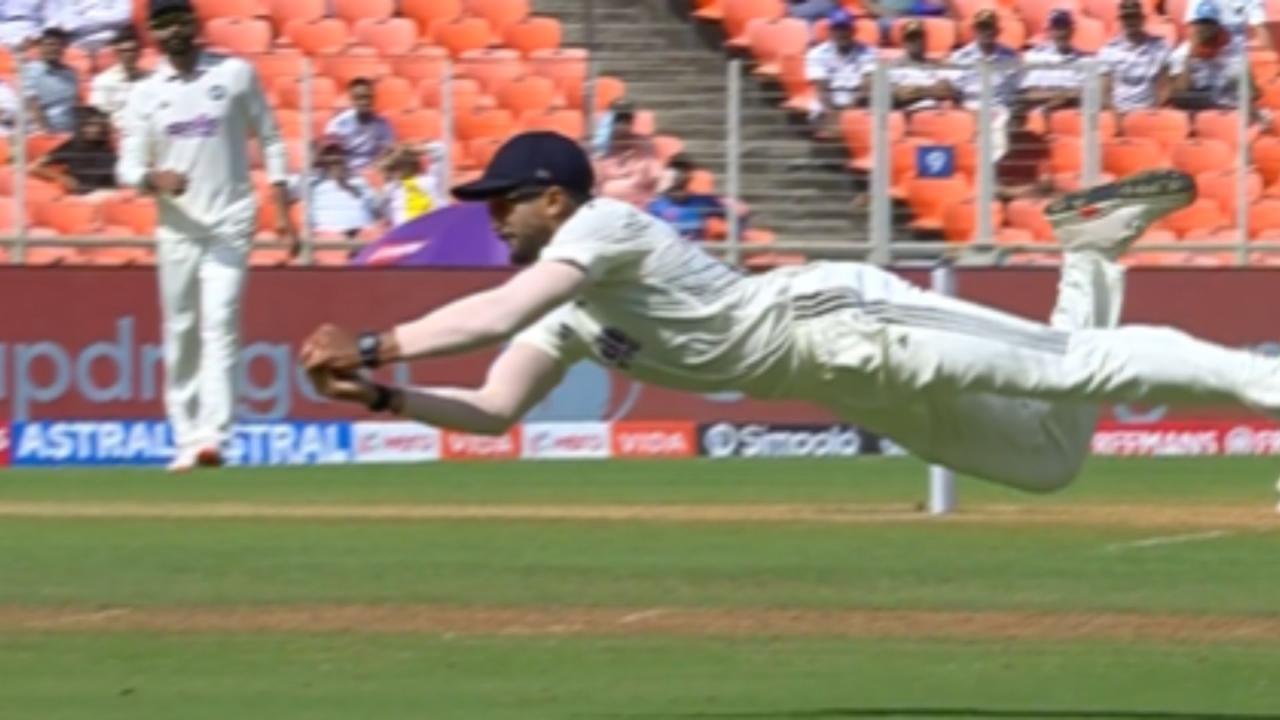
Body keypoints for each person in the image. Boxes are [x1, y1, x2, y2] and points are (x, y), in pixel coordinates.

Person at [302, 132, 1280, 493]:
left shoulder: (598, 227)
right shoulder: (570, 305)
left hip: (844, 320)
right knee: (1047, 461)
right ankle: (1092, 248)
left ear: (554, 199)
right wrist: (383, 395)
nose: (494, 216)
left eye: (502, 201)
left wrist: (376, 340)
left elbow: (500, 306)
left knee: (1075, 366)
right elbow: (492, 408)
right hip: (845, 383)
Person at [116, 0, 296, 472]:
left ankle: (213, 436)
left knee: (221, 320)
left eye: (181, 20)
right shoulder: (145, 93)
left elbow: (272, 137)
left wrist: (282, 206)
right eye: (162, 23)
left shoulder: (235, 74)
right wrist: (155, 180)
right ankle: (185, 435)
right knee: (182, 329)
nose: (173, 30)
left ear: (195, 25)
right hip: (178, 227)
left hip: (230, 219)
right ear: (153, 33)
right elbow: (127, 165)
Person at [1167, 0, 1252, 111]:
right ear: (1192, 28)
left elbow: (1251, 93)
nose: (1205, 30)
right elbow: (1179, 95)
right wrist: (1188, 62)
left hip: (1229, 114)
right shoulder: (1180, 55)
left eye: (1209, 25)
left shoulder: (1232, 53)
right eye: (1200, 25)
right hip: (1196, 115)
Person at [295, 135, 383, 240]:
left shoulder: (359, 181)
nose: (335, 158)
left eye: (339, 154)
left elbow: (377, 210)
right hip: (328, 237)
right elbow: (292, 190)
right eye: (329, 154)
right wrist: (312, 165)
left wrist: (347, 185)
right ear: (321, 158)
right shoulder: (313, 181)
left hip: (363, 236)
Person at [804, 9, 876, 131]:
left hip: (858, 100)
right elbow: (821, 89)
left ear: (853, 31)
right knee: (820, 121)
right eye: (837, 29)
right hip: (829, 99)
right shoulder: (816, 53)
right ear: (830, 31)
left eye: (845, 28)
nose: (841, 33)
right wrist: (833, 114)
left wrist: (848, 113)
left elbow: (866, 85)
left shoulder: (868, 52)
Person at [1098, 0, 1171, 112]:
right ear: (1120, 21)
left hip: (1149, 112)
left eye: (1134, 17)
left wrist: (1154, 112)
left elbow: (1165, 87)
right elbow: (1104, 92)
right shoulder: (1109, 51)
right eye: (1126, 18)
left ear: (1142, 19)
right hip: (1119, 113)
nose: (1130, 21)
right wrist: (1116, 116)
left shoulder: (1159, 47)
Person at [30, 105, 117, 194]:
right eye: (89, 125)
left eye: (97, 125)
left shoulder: (107, 151)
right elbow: (34, 166)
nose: (94, 129)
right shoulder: (72, 145)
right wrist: (62, 177)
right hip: (74, 196)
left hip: (100, 195)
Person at [593, 104, 663, 208]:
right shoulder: (600, 148)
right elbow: (595, 184)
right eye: (618, 121)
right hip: (607, 206)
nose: (623, 125)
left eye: (627, 121)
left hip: (640, 205)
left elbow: (654, 177)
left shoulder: (644, 144)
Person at [1019, 10, 1089, 112]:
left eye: (1065, 27)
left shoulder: (1084, 61)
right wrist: (1059, 96)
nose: (1061, 33)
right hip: (1038, 113)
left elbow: (1087, 94)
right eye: (1056, 28)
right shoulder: (1034, 56)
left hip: (1069, 115)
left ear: (1072, 30)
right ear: (1049, 31)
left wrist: (1062, 97)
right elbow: (1026, 94)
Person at [645, 154, 726, 241]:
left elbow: (731, 216)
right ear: (667, 173)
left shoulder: (704, 201)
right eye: (675, 168)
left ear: (690, 174)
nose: (679, 173)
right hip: (668, 252)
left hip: (695, 251)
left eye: (684, 169)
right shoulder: (656, 206)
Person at [324, 77, 396, 172]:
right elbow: (331, 154)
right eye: (359, 98)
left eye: (368, 97)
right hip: (346, 171)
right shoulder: (339, 123)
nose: (365, 102)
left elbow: (388, 152)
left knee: (409, 180)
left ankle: (412, 187)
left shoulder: (383, 124)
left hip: (373, 170)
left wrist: (379, 169)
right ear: (352, 99)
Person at [89, 27, 152, 130]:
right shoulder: (103, 81)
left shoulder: (149, 78)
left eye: (133, 50)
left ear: (140, 52)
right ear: (117, 53)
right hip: (119, 135)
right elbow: (99, 116)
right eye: (124, 51)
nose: (129, 54)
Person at [21, 27, 80, 134]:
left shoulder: (70, 73)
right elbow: (32, 105)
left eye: (59, 45)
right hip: (42, 132)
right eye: (50, 44)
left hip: (70, 131)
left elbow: (74, 105)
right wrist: (47, 134)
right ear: (41, 47)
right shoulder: (30, 70)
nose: (54, 48)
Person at [887, 19, 952, 112]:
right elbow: (901, 95)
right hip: (907, 115)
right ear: (904, 42)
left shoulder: (937, 65)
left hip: (934, 114)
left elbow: (947, 90)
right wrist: (932, 91)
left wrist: (917, 92)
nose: (916, 41)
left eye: (919, 37)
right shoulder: (892, 67)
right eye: (911, 38)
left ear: (925, 40)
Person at [380, 141, 449, 227]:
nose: (429, 159)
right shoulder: (429, 182)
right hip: (431, 231)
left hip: (404, 234)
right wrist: (419, 147)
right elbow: (440, 149)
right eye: (424, 157)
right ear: (419, 162)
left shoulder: (391, 189)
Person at [43, 0, 132, 52]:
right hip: (74, 49)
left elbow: (124, 16)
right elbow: (55, 22)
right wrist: (103, 20)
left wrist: (88, 16)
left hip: (110, 46)